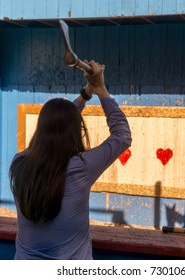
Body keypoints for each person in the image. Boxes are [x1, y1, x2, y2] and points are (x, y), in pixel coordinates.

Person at [9, 60, 132, 259]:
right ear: (77, 130)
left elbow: (57, 125)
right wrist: (100, 88)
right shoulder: (80, 167)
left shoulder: (19, 163)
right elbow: (122, 136)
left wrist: (86, 93)